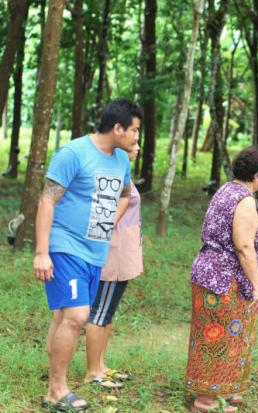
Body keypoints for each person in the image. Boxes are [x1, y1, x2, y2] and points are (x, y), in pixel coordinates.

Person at [35, 99, 142, 412]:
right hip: (64, 245)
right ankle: (57, 391)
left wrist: (108, 224)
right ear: (118, 128)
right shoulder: (73, 154)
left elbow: (124, 195)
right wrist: (42, 252)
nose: (137, 136)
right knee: (78, 317)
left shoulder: (121, 160)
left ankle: (56, 376)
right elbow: (47, 201)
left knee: (63, 316)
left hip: (95, 252)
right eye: (134, 129)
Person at [185, 146, 258, 413]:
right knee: (219, 338)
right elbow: (243, 247)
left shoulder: (227, 190)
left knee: (228, 336)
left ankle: (225, 389)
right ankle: (206, 400)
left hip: (209, 274)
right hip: (224, 281)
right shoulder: (244, 200)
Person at [84, 140, 143, 388]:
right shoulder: (112, 176)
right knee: (99, 313)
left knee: (107, 313)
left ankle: (101, 365)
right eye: (134, 142)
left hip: (123, 253)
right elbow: (103, 219)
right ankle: (92, 372)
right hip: (113, 254)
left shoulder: (122, 174)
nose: (138, 147)